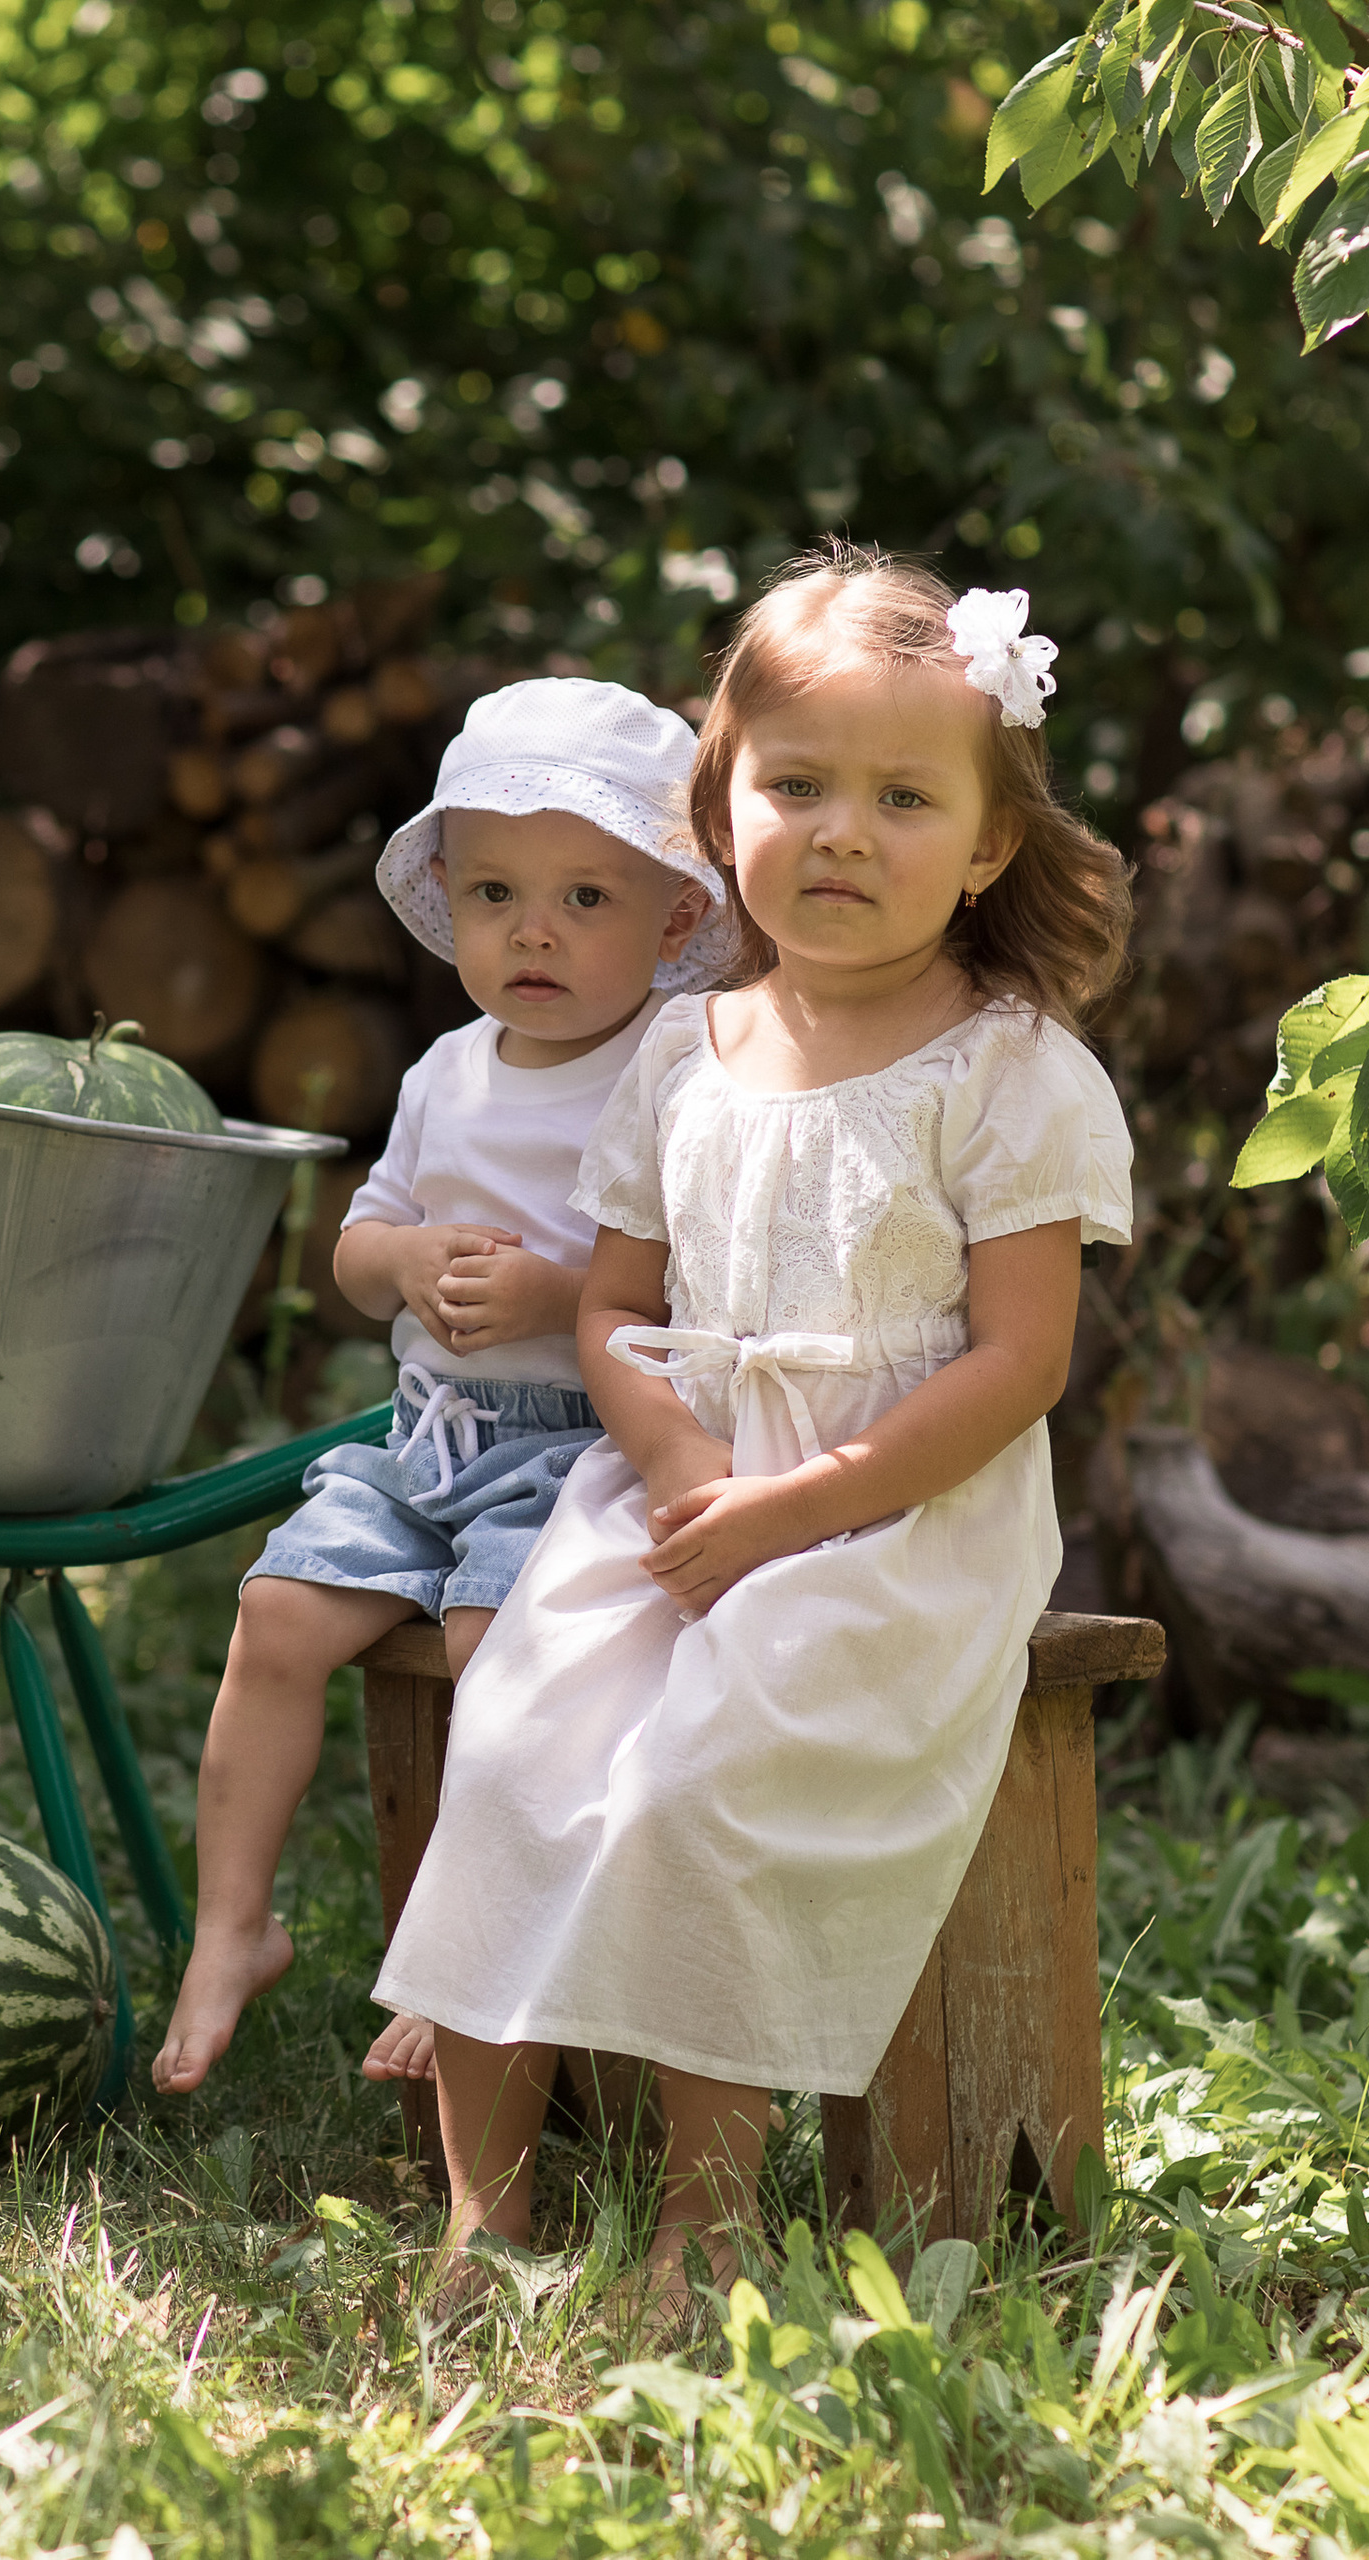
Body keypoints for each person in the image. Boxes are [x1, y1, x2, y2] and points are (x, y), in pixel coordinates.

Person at [370, 544, 1135, 2324]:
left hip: (897, 1503)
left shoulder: (1008, 1068)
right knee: (521, 1740)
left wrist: (797, 1507)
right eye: (796, 786)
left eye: (902, 797)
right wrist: (679, 1461)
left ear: (990, 843)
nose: (844, 832)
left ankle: (701, 2229)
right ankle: (487, 2214)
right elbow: (613, 1304)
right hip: (679, 1474)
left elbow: (1018, 1365)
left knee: (715, 1770)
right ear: (722, 814)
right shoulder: (687, 1048)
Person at [151, 677, 739, 2097]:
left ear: (674, 919)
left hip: (570, 1452)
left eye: (586, 898)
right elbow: (356, 1247)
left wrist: (556, 1299)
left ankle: (470, 1953)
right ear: (450, 905)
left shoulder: (676, 1074)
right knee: (278, 1615)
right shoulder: (442, 1070)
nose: (534, 932)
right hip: (421, 1442)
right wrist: (405, 1260)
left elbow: (702, 1291)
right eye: (494, 893)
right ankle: (232, 1926)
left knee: (499, 1654)